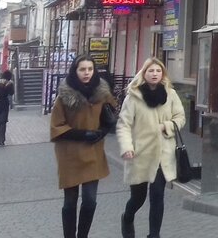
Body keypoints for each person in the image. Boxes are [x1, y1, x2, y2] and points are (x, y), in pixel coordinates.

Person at [116, 57, 186, 238]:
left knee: (157, 195)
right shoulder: (133, 97)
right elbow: (124, 125)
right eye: (151, 71)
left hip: (163, 153)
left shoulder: (170, 94)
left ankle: (154, 235)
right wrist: (127, 147)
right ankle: (127, 217)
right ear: (144, 73)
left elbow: (180, 117)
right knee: (138, 198)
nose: (155, 74)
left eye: (158, 71)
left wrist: (167, 126)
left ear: (163, 74)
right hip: (140, 154)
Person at [50, 55, 117, 238]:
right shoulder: (64, 96)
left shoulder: (102, 93)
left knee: (90, 201)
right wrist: (83, 134)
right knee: (70, 203)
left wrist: (102, 131)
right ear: (75, 71)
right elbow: (56, 127)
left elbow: (109, 120)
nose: (87, 73)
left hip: (92, 153)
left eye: (90, 69)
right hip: (69, 154)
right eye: (82, 69)